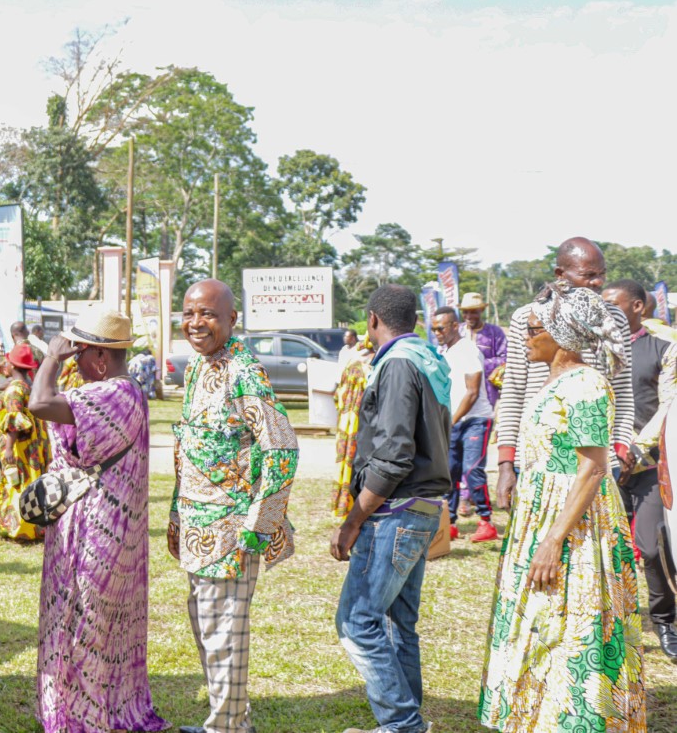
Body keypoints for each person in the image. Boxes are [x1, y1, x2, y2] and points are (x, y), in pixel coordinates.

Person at [479, 284, 645, 731]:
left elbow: (592, 469)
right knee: (542, 621)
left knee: (573, 625)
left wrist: (553, 539)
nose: (526, 337)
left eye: (533, 329)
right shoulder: (555, 381)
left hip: (575, 526)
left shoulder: (587, 385)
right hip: (543, 516)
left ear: (560, 334)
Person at [28, 306, 169, 733]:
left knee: (86, 625)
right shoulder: (129, 392)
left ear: (102, 358)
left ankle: (84, 718)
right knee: (105, 628)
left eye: (80, 352)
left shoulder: (111, 394)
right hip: (114, 532)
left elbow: (39, 402)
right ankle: (101, 710)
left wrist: (51, 358)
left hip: (96, 532)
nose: (75, 360)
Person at [170, 280, 299, 733]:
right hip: (196, 527)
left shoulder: (245, 371)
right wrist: (175, 515)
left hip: (231, 530)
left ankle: (225, 728)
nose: (195, 323)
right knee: (207, 627)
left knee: (223, 631)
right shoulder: (197, 368)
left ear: (231, 320)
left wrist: (260, 524)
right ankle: (232, 719)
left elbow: (281, 449)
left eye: (207, 314)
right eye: (189, 313)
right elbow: (190, 445)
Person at [331, 285, 451, 733]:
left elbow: (396, 454)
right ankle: (408, 719)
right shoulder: (427, 359)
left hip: (395, 511)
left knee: (358, 621)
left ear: (373, 320)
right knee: (400, 624)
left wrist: (353, 520)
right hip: (420, 507)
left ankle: (402, 723)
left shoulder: (399, 364)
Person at [497, 237, 633, 510]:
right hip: (537, 459)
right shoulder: (528, 318)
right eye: (589, 275)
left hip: (596, 460)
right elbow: (513, 393)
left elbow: (623, 391)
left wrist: (620, 447)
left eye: (601, 275)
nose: (597, 283)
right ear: (560, 274)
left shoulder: (614, 319)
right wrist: (506, 464)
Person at [602, 278, 677, 660]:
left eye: (613, 305)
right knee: (605, 550)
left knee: (650, 547)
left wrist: (634, 447)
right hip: (603, 469)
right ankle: (616, 623)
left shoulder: (664, 349)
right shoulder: (594, 353)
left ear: (636, 307)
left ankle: (664, 619)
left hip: (648, 466)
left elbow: (667, 406)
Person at [429, 307, 497, 543]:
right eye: (433, 328)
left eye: (441, 328)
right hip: (452, 421)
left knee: (471, 470)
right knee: (449, 472)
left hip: (475, 420)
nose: (437, 332)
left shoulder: (467, 350)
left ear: (455, 326)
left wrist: (451, 421)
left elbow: (472, 392)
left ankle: (486, 522)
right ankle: (450, 524)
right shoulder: (443, 352)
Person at [0, 344, 47, 542]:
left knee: (14, 482)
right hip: (29, 445)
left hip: (16, 446)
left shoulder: (13, 390)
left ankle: (20, 528)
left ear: (12, 365)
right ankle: (29, 525)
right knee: (24, 482)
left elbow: (14, 420)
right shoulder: (25, 386)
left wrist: (9, 448)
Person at [332, 339, 372, 519]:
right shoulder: (367, 369)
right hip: (362, 430)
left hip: (347, 430)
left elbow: (337, 398)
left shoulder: (351, 364)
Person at [458, 292, 507, 408]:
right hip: (459, 389)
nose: (469, 316)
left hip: (487, 391)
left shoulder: (495, 332)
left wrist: (479, 364)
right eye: (465, 312)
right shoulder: (457, 331)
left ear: (481, 311)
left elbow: (506, 358)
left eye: (474, 312)